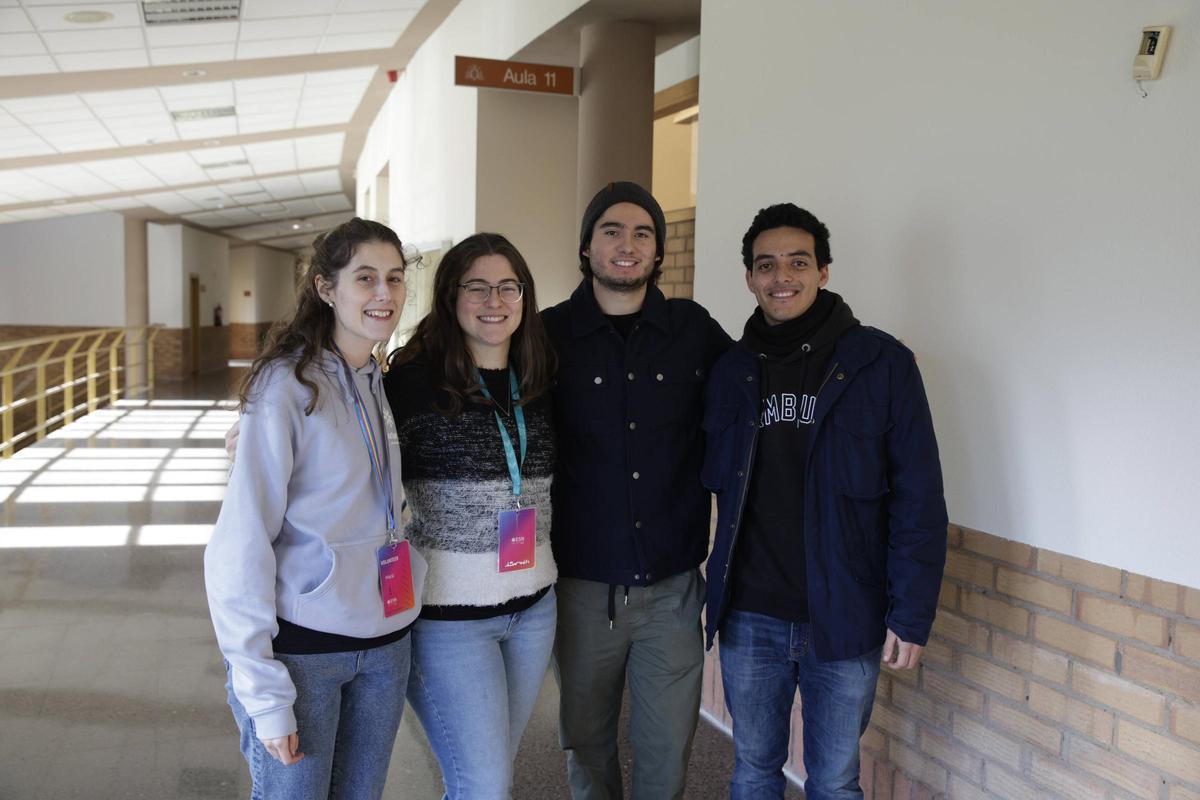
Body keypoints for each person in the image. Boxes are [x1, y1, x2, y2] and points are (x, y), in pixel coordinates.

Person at [703, 203, 948, 799]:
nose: (781, 276)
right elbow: (707, 473)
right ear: (749, 278)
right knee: (754, 770)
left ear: (824, 271)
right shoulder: (731, 370)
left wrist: (910, 614)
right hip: (750, 616)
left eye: (797, 261)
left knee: (835, 781)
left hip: (843, 617)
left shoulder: (880, 364)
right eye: (766, 265)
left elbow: (920, 496)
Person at [205, 217, 427, 799]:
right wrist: (263, 692)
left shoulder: (376, 378)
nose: (384, 294)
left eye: (395, 278)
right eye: (366, 278)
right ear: (327, 289)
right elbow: (240, 543)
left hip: (385, 647)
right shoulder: (285, 387)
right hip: (305, 654)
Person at [541, 182, 732, 799]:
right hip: (581, 591)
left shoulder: (693, 330)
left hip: (671, 595)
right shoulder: (546, 336)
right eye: (612, 231)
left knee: (666, 758)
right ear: (587, 246)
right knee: (587, 749)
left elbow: (761, 379)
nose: (628, 245)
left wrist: (865, 360)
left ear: (658, 252)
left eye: (643, 233)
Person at [387, 232, 559, 800]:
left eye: (508, 286)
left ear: (525, 296)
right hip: (449, 620)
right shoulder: (413, 383)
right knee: (484, 783)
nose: (494, 300)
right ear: (450, 296)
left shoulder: (539, 379)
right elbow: (343, 438)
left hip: (534, 610)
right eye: (477, 286)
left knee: (485, 779)